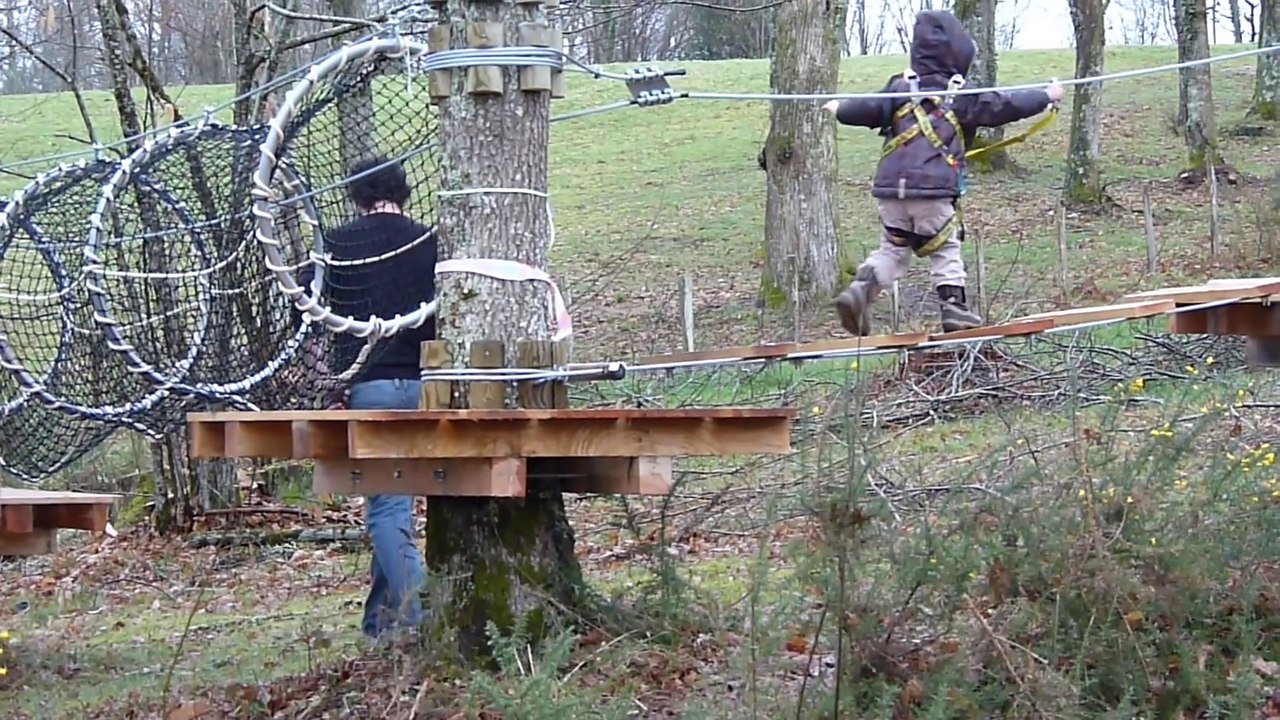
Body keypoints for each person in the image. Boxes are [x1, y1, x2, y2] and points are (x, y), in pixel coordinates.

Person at [822, 9, 1063, 336]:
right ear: (958, 52)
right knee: (946, 248)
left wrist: (839, 109)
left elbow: (865, 108)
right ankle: (954, 310)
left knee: (893, 250)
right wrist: (1046, 97)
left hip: (891, 192)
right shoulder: (960, 94)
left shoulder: (899, 87)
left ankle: (860, 291)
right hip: (933, 191)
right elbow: (1004, 105)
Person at [302, 155, 439, 641]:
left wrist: (329, 386)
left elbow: (311, 327)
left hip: (370, 387)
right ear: (404, 192)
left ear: (354, 196)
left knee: (386, 506)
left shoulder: (334, 246)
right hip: (429, 389)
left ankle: (420, 616)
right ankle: (379, 626)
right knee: (395, 502)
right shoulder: (430, 241)